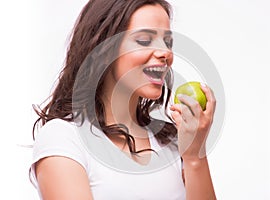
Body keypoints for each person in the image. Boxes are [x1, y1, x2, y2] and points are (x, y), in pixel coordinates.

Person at [30, 0, 217, 199]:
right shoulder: (64, 139)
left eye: (168, 42)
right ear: (103, 48)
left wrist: (195, 156)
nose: (166, 53)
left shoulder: (171, 142)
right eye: (145, 40)